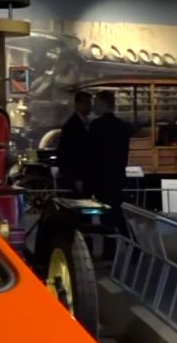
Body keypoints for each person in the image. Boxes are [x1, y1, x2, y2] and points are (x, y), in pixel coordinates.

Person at [85, 90, 134, 257]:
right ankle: (130, 247)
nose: (94, 106)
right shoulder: (122, 127)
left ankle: (111, 250)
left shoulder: (97, 126)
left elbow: (91, 155)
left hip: (101, 178)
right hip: (116, 176)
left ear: (104, 104)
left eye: (97, 103)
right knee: (116, 214)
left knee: (107, 216)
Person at [52, 90, 92, 192]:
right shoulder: (72, 126)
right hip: (75, 175)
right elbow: (72, 154)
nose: (89, 106)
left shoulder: (84, 123)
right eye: (87, 103)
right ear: (78, 104)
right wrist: (77, 177)